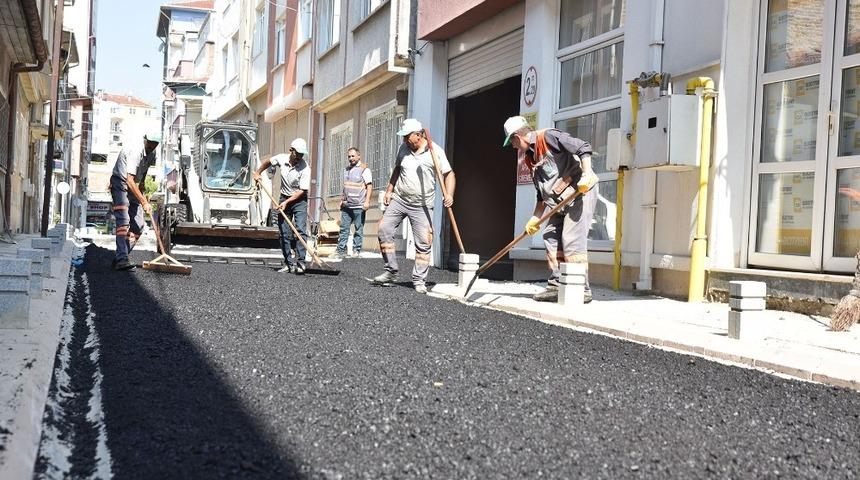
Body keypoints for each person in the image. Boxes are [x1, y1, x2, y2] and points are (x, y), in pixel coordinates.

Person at [502, 115, 599, 302]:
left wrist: (587, 174)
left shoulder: (548, 137)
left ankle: (581, 289)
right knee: (550, 235)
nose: (513, 147)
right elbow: (542, 195)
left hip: (580, 193)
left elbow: (583, 146)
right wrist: (535, 219)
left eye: (512, 142)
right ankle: (557, 285)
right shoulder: (530, 158)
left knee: (571, 239)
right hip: (559, 201)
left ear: (517, 137)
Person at [373, 119, 455, 294]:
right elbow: (397, 169)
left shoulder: (435, 152)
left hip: (422, 205)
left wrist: (449, 194)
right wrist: (389, 190)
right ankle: (391, 270)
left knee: (424, 242)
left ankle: (419, 280)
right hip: (400, 199)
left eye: (407, 137)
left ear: (418, 135)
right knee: (384, 229)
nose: (404, 141)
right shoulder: (403, 149)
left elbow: (449, 174)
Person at [253, 138, 311, 274]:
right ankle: (288, 263)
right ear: (291, 150)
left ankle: (301, 263)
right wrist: (258, 172)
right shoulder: (281, 158)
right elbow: (268, 162)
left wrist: (286, 203)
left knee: (300, 231)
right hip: (284, 197)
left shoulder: (305, 168)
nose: (300, 157)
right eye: (298, 154)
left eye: (302, 155)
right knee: (284, 232)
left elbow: (302, 191)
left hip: (299, 200)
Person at [109, 133, 160, 270]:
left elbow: (143, 173)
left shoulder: (152, 154)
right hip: (120, 183)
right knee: (124, 220)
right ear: (145, 139)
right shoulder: (136, 151)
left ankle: (121, 255)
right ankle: (121, 259)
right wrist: (144, 202)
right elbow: (129, 180)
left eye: (155, 144)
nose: (152, 146)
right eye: (150, 142)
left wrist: (143, 185)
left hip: (133, 185)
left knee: (139, 224)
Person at [331, 147, 372, 259]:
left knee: (358, 228)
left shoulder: (364, 169)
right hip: (347, 205)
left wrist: (367, 202)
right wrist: (341, 200)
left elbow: (369, 186)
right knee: (344, 229)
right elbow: (346, 187)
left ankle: (356, 250)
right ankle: (341, 250)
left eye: (353, 156)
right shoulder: (346, 170)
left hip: (359, 205)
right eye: (349, 156)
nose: (351, 158)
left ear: (359, 156)